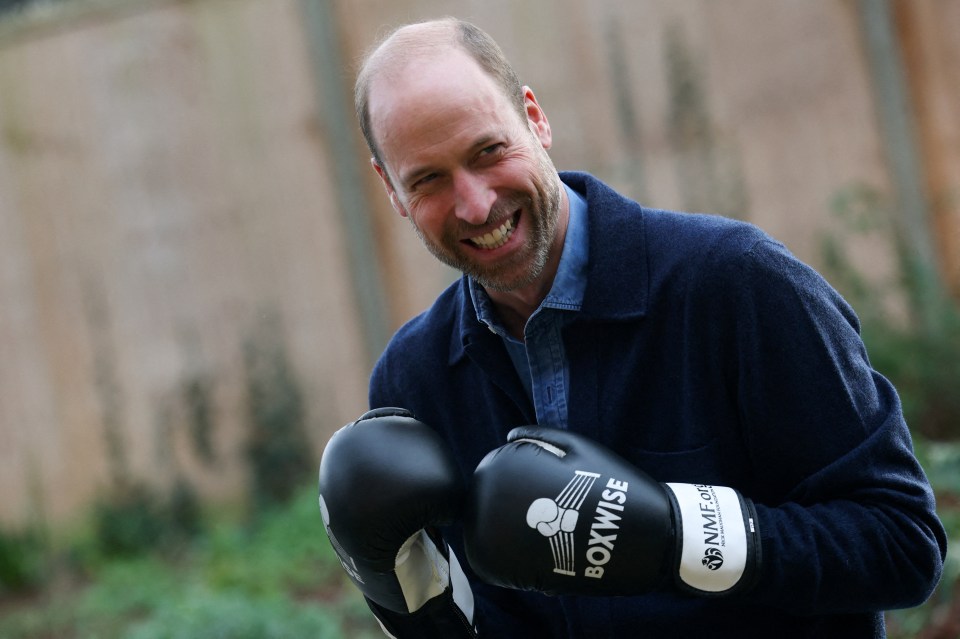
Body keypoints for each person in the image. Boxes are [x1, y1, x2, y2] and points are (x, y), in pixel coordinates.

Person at [316, 17, 947, 638]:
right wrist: (404, 597)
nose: (476, 204)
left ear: (534, 118)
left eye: (489, 151)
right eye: (428, 180)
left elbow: (902, 544)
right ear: (391, 190)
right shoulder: (413, 378)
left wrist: (679, 535)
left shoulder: (735, 285)